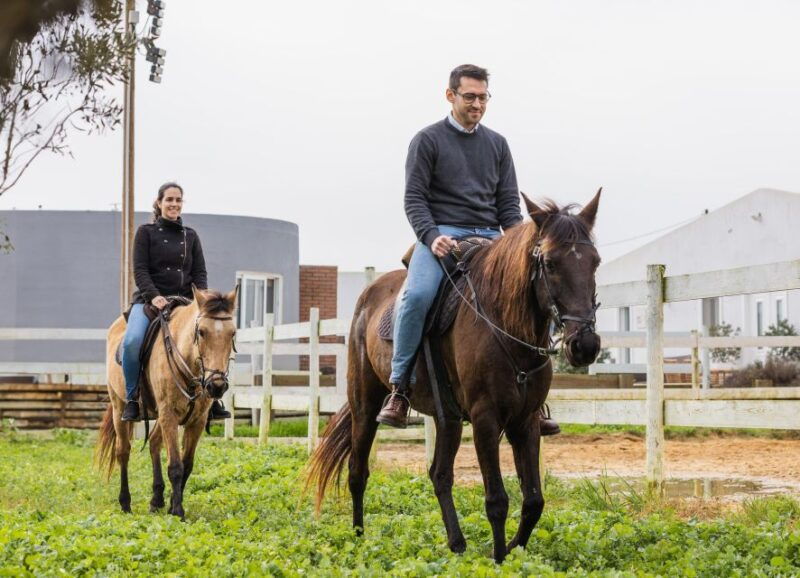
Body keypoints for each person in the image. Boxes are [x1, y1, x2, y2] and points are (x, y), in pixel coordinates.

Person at [376, 64, 560, 436]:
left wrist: (517, 243)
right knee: (416, 297)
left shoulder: (498, 144)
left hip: (491, 237)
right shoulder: (427, 140)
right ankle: (399, 388)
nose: (477, 104)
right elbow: (414, 199)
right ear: (451, 96)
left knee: (541, 287)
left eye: (483, 97)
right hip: (441, 234)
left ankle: (535, 396)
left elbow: (508, 204)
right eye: (470, 96)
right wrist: (431, 236)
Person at [120, 182, 231, 422]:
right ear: (159, 203)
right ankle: (132, 398)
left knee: (210, 338)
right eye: (169, 199)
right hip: (150, 301)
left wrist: (201, 300)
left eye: (178, 200)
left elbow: (200, 273)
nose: (174, 204)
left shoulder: (190, 236)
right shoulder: (145, 233)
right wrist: (153, 295)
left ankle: (212, 399)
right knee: (131, 341)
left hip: (186, 302)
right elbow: (139, 270)